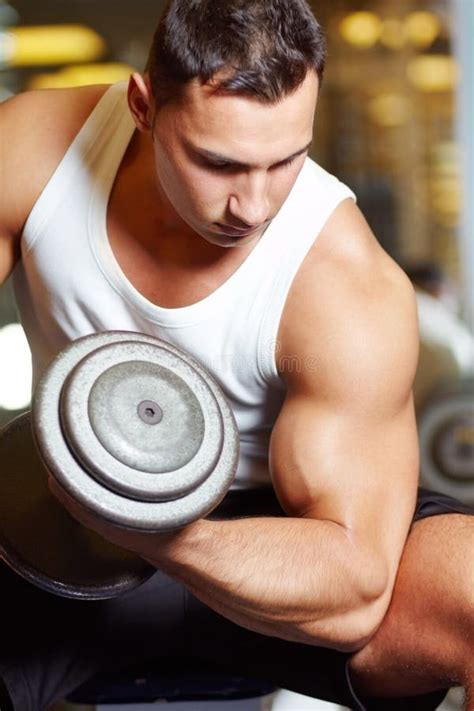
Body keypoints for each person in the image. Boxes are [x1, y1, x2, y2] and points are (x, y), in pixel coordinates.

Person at [0, 2, 473, 710]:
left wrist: (161, 533)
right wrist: (95, 501)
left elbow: (353, 589)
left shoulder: (343, 281)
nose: (252, 205)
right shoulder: (33, 149)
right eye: (217, 162)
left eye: (286, 159)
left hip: (279, 540)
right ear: (143, 106)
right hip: (60, 510)